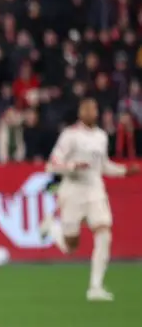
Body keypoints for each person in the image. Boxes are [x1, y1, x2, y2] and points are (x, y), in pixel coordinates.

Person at [46, 98, 140, 301]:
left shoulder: (101, 136)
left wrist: (124, 171)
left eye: (94, 109)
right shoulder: (70, 136)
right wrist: (72, 166)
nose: (91, 112)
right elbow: (52, 164)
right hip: (72, 191)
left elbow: (103, 166)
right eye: (87, 109)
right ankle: (53, 230)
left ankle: (95, 287)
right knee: (71, 247)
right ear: (81, 113)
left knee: (104, 232)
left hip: (95, 191)